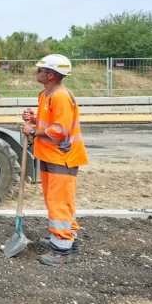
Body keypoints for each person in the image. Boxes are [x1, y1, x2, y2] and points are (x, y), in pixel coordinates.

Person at [20, 54, 89, 266]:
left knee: (60, 202)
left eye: (40, 70)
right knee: (56, 200)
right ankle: (66, 238)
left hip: (63, 157)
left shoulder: (61, 97)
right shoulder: (45, 95)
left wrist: (32, 132)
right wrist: (33, 120)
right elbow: (48, 122)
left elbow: (60, 130)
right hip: (49, 155)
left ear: (50, 75)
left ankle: (62, 250)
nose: (36, 72)